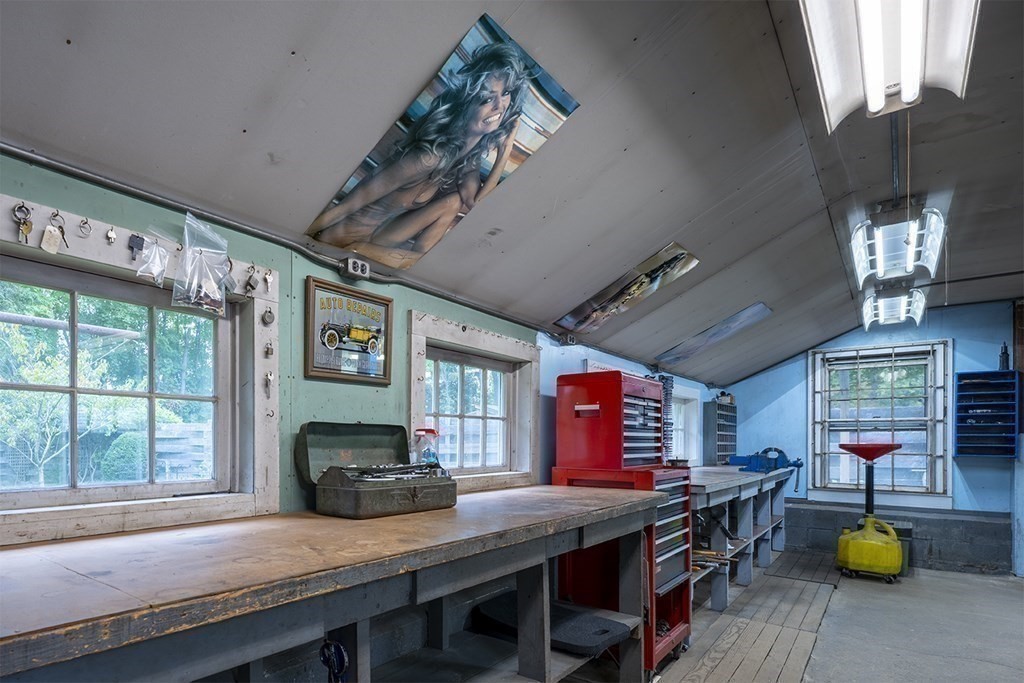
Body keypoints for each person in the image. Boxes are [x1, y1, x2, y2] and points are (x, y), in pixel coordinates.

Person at [309, 42, 529, 268]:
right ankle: (381, 257)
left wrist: (505, 151)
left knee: (453, 204)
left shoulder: (466, 161)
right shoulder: (426, 159)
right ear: (466, 105)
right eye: (487, 98)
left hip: (376, 240)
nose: (499, 105)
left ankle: (401, 262)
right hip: (342, 242)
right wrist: (304, 240)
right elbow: (347, 207)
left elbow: (476, 205)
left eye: (506, 93)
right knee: (422, 262)